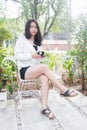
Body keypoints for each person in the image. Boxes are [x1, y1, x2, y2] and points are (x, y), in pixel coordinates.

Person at [14, 19, 78, 119]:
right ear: (27, 28)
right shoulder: (21, 40)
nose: (34, 29)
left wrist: (40, 57)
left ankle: (44, 108)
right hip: (24, 70)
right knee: (44, 67)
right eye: (31, 27)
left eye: (35, 27)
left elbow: (37, 61)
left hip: (35, 69)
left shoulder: (38, 42)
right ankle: (62, 89)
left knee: (44, 79)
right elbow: (17, 56)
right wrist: (31, 55)